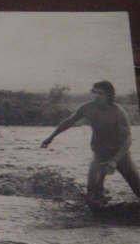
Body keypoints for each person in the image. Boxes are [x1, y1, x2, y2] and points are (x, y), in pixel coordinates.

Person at [41, 81, 140, 209]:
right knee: (92, 193)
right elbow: (69, 122)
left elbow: (127, 140)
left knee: (137, 187)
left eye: (100, 93)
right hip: (99, 154)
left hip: (120, 155)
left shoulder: (118, 112)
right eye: (94, 92)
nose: (96, 96)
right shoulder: (87, 108)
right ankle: (98, 213)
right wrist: (51, 137)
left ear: (109, 95)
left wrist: (114, 160)